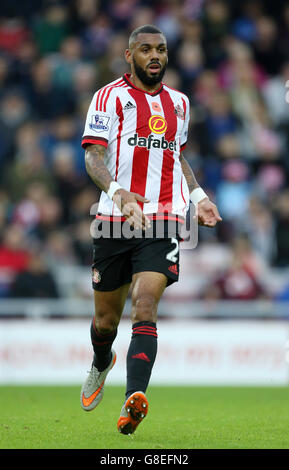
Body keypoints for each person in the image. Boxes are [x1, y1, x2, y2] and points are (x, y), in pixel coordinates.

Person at [80, 24, 222, 435]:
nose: (154, 55)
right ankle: (101, 360)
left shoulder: (179, 103)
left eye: (160, 49)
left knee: (145, 303)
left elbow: (177, 157)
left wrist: (198, 198)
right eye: (145, 49)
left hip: (163, 219)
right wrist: (119, 192)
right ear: (130, 55)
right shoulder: (108, 97)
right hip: (113, 221)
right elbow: (93, 156)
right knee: (105, 323)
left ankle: (132, 399)